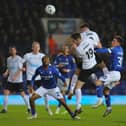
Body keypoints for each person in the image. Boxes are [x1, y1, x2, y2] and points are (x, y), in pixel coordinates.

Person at [68, 23, 103, 108]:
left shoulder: (79, 45)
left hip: (86, 66)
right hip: (94, 62)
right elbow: (99, 45)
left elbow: (79, 56)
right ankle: (100, 97)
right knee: (97, 78)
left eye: (73, 41)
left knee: (78, 83)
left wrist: (74, 49)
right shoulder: (90, 37)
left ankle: (77, 102)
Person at [95, 35, 124, 117]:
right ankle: (109, 108)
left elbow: (103, 51)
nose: (112, 42)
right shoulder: (121, 49)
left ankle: (100, 99)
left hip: (113, 73)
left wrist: (95, 50)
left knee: (98, 82)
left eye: (114, 41)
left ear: (118, 43)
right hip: (117, 74)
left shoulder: (114, 49)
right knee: (106, 91)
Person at [24, 41, 52, 115]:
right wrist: (22, 68)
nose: (36, 48)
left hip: (40, 78)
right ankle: (33, 111)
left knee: (45, 93)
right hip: (30, 78)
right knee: (31, 95)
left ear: (39, 48)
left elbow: (49, 65)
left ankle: (47, 107)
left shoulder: (42, 56)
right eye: (34, 47)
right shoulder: (27, 55)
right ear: (32, 48)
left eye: (37, 47)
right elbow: (21, 62)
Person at [0, 46, 30, 113]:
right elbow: (8, 68)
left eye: (13, 50)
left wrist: (15, 77)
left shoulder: (19, 59)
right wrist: (6, 73)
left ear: (16, 51)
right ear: (9, 51)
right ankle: (5, 109)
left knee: (22, 94)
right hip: (10, 80)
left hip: (18, 80)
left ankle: (29, 108)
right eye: (11, 50)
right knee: (6, 92)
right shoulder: (8, 59)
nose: (12, 51)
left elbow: (20, 69)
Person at [53, 45, 77, 114]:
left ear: (68, 50)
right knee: (60, 93)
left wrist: (68, 70)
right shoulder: (59, 57)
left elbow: (74, 68)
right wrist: (59, 66)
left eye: (66, 48)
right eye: (63, 48)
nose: (64, 49)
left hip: (66, 77)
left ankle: (59, 108)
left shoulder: (71, 58)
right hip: (59, 77)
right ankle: (66, 108)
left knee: (62, 93)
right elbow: (54, 65)